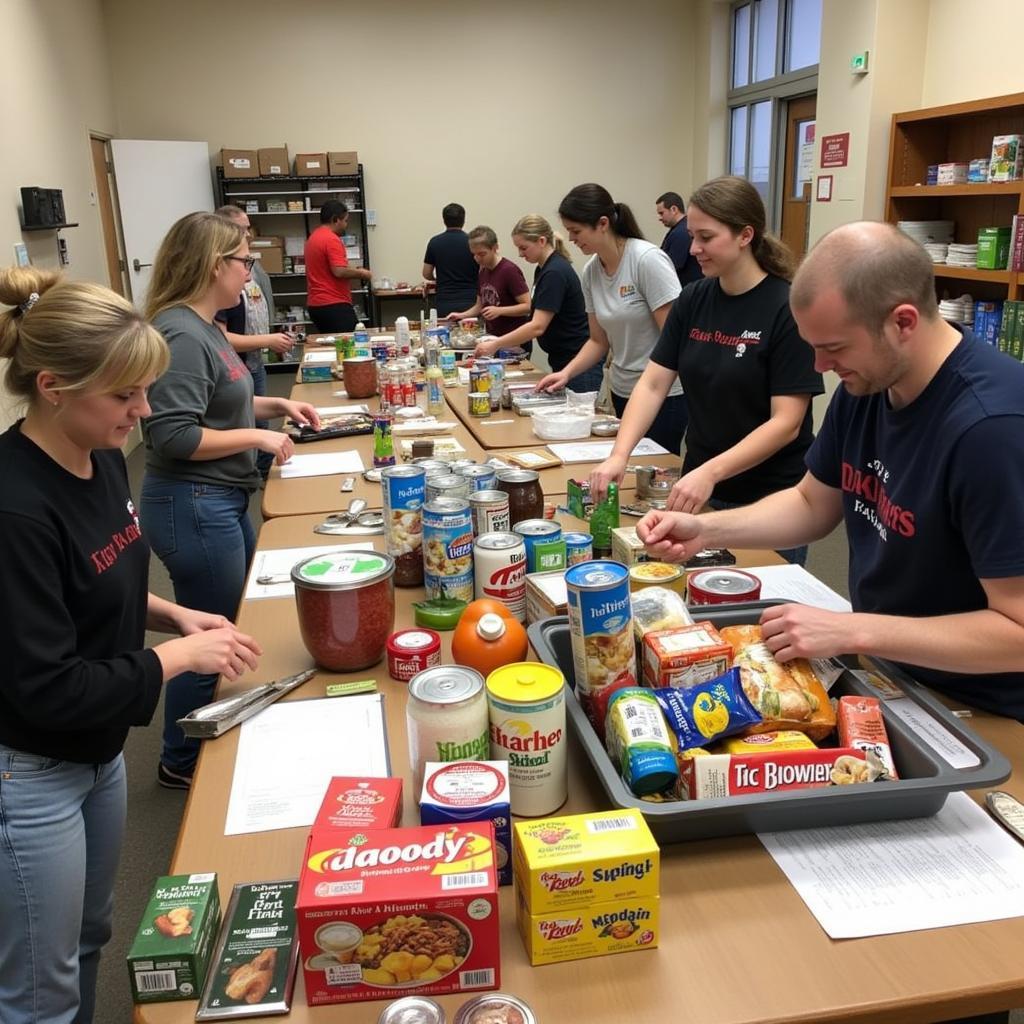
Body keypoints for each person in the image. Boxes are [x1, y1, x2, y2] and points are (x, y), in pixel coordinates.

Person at [0, 266, 261, 1024]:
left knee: (91, 934)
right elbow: (45, 685)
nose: (144, 412)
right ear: (52, 386)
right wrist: (177, 659)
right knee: (38, 992)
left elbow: (99, 579)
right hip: (31, 770)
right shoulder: (15, 509)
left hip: (97, 748)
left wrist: (172, 617)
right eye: (125, 395)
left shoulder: (102, 454)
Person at [638, 220, 1024, 724]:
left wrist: (851, 630)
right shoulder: (867, 385)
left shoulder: (991, 429)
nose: (819, 366)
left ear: (903, 322)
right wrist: (706, 528)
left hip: (981, 705)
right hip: (892, 671)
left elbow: (1016, 632)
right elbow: (810, 504)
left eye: (835, 348)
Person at [141, 212, 320, 789]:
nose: (250, 274)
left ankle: (207, 739)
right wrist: (256, 436)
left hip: (218, 497)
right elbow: (171, 434)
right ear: (214, 264)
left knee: (233, 623)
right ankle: (182, 760)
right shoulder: (180, 332)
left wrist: (277, 409)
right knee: (212, 636)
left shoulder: (209, 326)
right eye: (244, 262)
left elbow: (226, 403)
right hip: (192, 502)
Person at [593, 175, 823, 565]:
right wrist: (620, 454)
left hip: (769, 498)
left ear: (745, 235)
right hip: (700, 488)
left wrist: (711, 472)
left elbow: (786, 422)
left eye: (706, 237)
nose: (694, 249)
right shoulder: (694, 299)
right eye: (691, 236)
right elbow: (652, 384)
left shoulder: (786, 308)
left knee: (758, 611)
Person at [536, 183, 685, 453]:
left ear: (602, 223)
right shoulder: (592, 271)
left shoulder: (646, 260)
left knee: (653, 474)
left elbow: (675, 339)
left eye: (576, 231)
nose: (570, 239)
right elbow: (597, 341)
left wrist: (649, 384)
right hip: (622, 390)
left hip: (662, 395)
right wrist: (566, 373)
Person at [474, 214, 602, 393]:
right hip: (562, 357)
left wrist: (496, 344)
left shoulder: (554, 272)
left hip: (578, 360)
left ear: (542, 241)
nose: (520, 254)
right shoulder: (543, 269)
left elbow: (537, 326)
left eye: (523, 248)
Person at [215, 205, 295, 478]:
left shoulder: (247, 266)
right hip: (210, 488)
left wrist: (280, 405)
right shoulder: (189, 334)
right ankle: (260, 474)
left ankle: (260, 473)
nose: (248, 275)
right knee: (256, 430)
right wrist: (267, 339)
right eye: (242, 228)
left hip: (252, 362)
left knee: (260, 423)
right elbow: (178, 435)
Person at [447, 225, 531, 344]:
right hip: (493, 337)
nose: (477, 259)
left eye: (482, 254)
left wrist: (500, 311)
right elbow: (480, 305)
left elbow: (527, 306)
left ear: (495, 248)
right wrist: (461, 315)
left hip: (514, 338)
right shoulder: (483, 271)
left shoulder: (509, 270)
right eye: (474, 254)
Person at [304, 199, 372, 333]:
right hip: (333, 304)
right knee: (353, 343)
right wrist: (363, 273)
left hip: (316, 304)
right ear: (336, 220)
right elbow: (339, 271)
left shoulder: (313, 238)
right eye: (345, 220)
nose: (346, 225)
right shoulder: (331, 239)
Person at [422, 203, 479, 317]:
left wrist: (438, 279)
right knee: (472, 334)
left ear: (444, 220)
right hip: (471, 301)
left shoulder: (435, 242)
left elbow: (426, 273)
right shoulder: (473, 242)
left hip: (444, 301)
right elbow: (483, 270)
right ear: (463, 220)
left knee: (444, 334)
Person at [656, 190, 702, 287]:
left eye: (661, 213)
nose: (659, 218)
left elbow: (671, 266)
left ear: (674, 209)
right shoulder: (679, 229)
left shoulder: (680, 232)